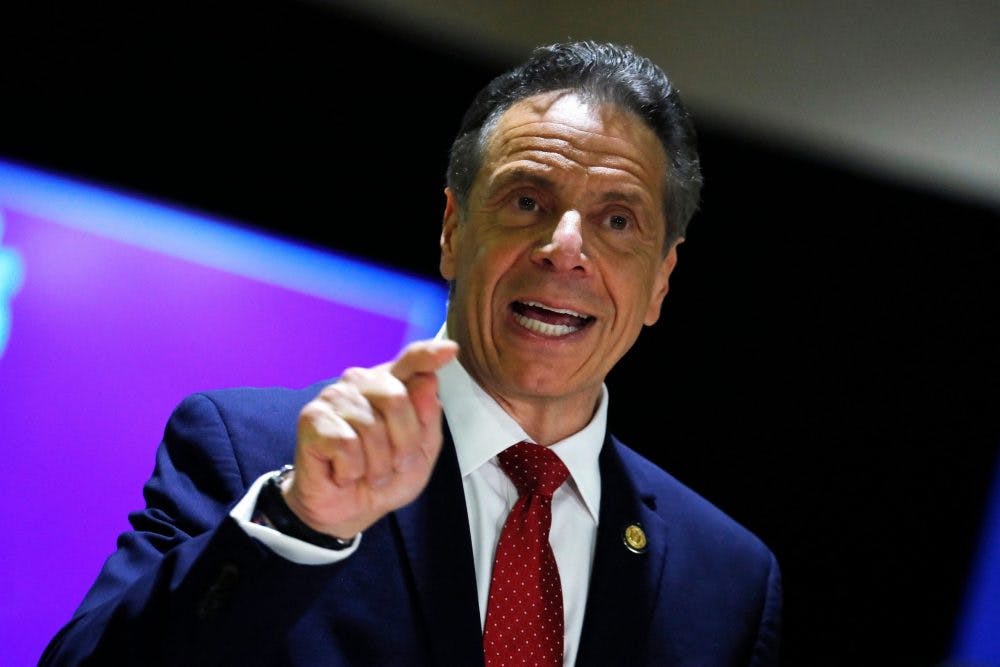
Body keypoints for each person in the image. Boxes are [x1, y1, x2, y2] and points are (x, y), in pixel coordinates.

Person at [40, 40, 782, 666]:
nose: (564, 248)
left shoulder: (728, 582)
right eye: (527, 201)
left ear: (660, 281)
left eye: (617, 220)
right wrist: (300, 524)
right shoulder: (252, 452)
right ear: (453, 230)